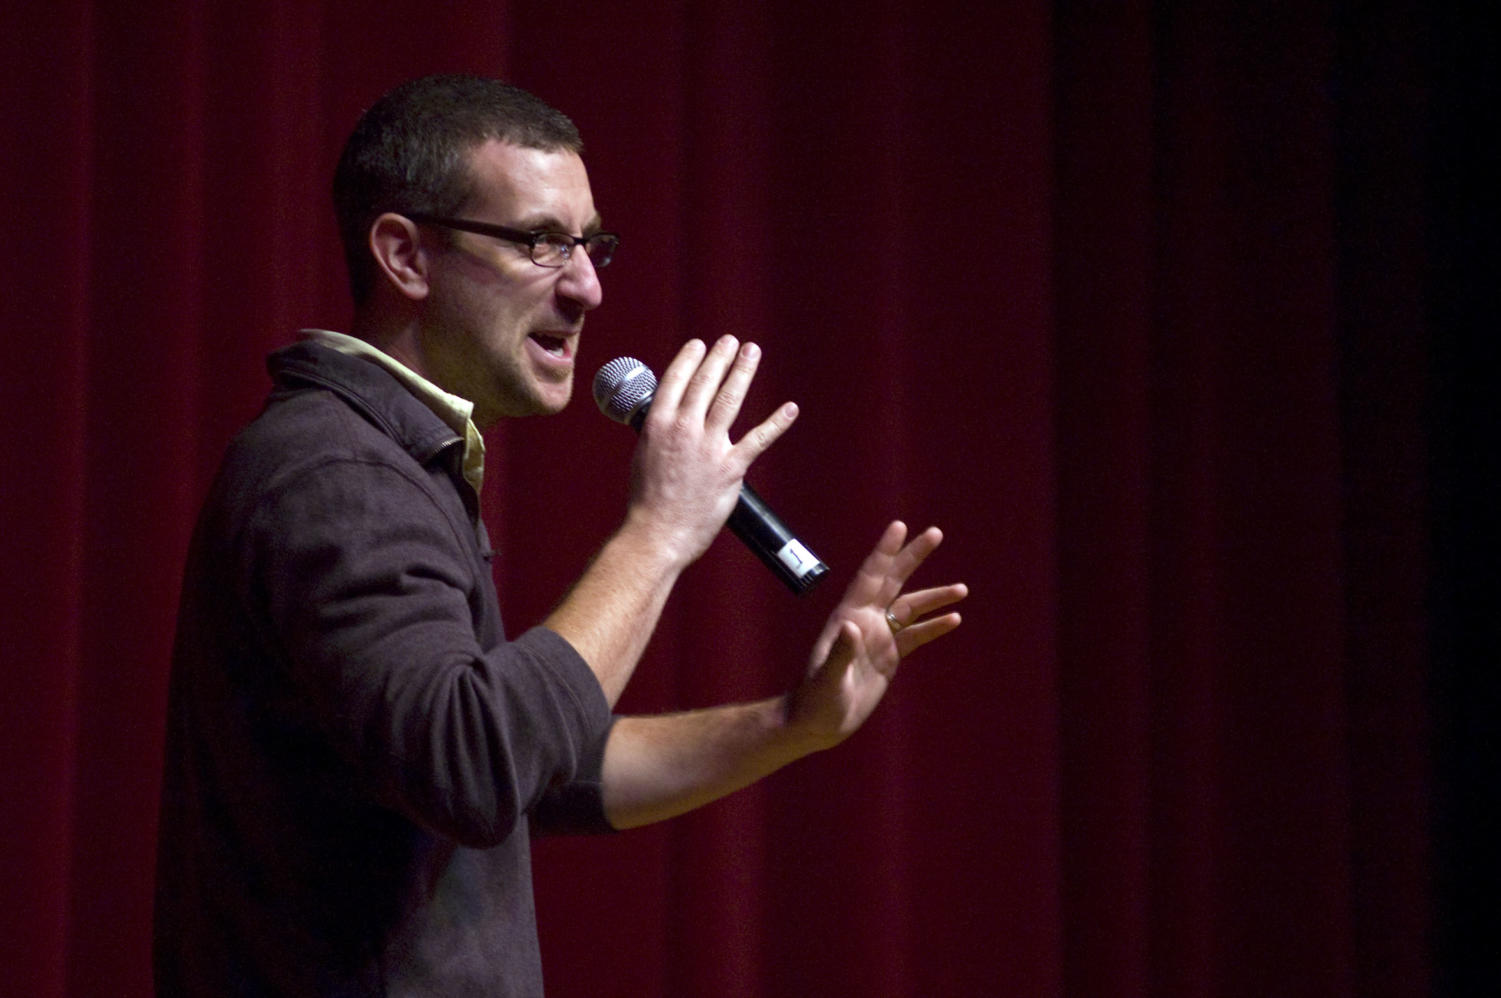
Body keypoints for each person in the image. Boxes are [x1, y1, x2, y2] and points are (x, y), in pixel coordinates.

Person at [153, 74, 966, 996]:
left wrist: (792, 725)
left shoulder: (394, 460)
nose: (585, 288)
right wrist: (658, 530)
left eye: (590, 246)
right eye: (540, 242)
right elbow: (478, 764)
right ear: (404, 256)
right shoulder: (339, 476)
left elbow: (540, 767)